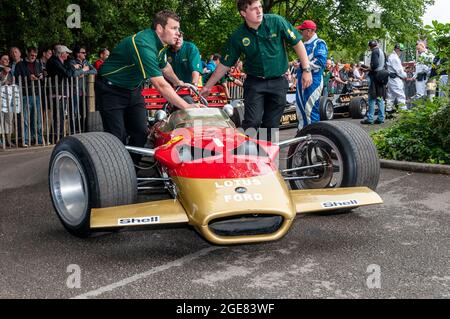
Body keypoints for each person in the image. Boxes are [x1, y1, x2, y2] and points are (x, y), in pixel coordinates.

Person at [96, 10, 201, 164]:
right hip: (110, 89)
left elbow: (165, 67)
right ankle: (116, 174)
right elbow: (159, 83)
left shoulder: (162, 45)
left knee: (140, 133)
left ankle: (132, 169)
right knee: (117, 136)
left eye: (178, 29)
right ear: (160, 28)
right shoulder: (143, 43)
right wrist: (187, 106)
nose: (178, 33)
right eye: (174, 28)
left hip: (133, 89)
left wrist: (178, 82)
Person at [200, 0, 312, 142]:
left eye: (260, 7)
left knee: (271, 125)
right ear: (243, 13)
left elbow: (297, 43)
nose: (259, 11)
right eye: (254, 9)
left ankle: (262, 157)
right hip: (255, 83)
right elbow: (224, 64)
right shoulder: (238, 36)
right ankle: (243, 155)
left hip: (278, 81)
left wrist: (306, 69)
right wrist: (208, 86)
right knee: (252, 122)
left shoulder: (276, 21)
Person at [295, 20, 328, 129]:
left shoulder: (319, 43)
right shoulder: (303, 44)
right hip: (301, 79)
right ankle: (302, 133)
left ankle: (313, 136)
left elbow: (320, 62)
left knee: (310, 109)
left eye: (302, 30)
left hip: (313, 80)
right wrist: (298, 63)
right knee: (300, 109)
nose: (301, 33)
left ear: (309, 31)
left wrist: (303, 65)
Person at [14, 47, 44, 146]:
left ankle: (39, 140)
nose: (33, 57)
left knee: (38, 120)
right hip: (25, 95)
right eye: (32, 55)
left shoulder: (38, 64)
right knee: (26, 120)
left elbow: (42, 75)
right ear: (27, 53)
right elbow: (17, 78)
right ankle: (26, 140)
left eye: (35, 56)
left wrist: (41, 76)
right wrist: (27, 78)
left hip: (37, 93)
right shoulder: (20, 64)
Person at [167, 32, 203, 103]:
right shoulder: (165, 51)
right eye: (175, 37)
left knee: (188, 101)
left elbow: (195, 69)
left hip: (188, 88)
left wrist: (193, 85)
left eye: (180, 36)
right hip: (170, 89)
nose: (178, 39)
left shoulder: (190, 48)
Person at [361, 40, 386, 125]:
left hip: (375, 77)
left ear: (370, 47)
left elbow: (374, 65)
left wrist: (366, 69)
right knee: (380, 97)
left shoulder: (374, 52)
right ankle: (381, 117)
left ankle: (370, 118)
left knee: (372, 97)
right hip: (381, 76)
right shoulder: (382, 52)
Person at [386, 43, 407, 112]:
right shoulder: (394, 58)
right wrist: (405, 75)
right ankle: (403, 111)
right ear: (397, 49)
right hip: (395, 79)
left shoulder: (393, 57)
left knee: (391, 96)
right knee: (401, 95)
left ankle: (388, 111)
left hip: (392, 79)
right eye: (400, 50)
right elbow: (399, 71)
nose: (401, 52)